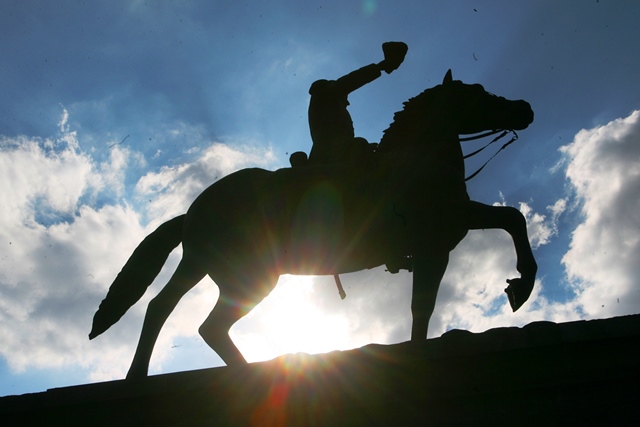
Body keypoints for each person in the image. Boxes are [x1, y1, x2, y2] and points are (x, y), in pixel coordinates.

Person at [289, 42, 408, 167]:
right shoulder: (324, 96)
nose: (347, 102)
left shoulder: (327, 102)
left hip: (339, 149)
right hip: (330, 153)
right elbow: (348, 82)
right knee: (359, 145)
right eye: (344, 96)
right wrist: (379, 67)